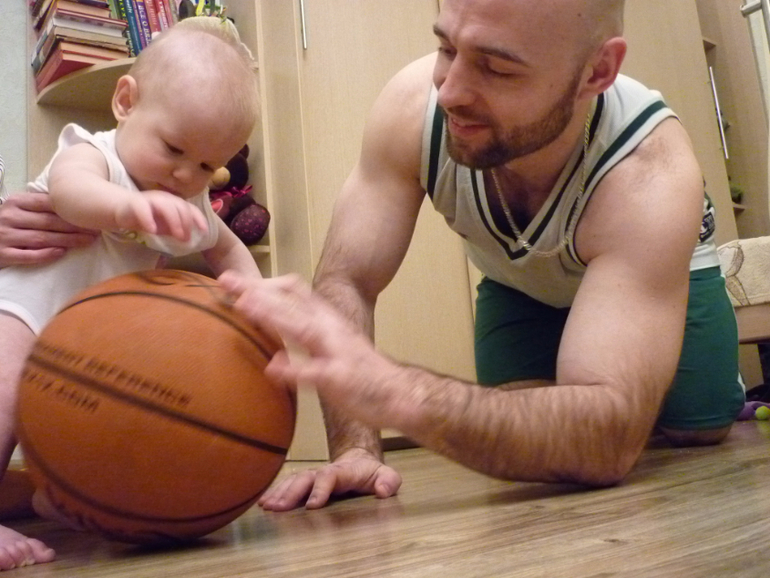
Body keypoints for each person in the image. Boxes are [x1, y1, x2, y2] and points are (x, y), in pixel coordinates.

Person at [217, 0, 746, 512]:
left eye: (497, 68)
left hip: (647, 264)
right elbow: (348, 279)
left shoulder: (651, 172)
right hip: (518, 279)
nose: (449, 92)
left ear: (597, 71)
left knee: (695, 428)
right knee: (524, 433)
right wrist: (355, 449)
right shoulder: (412, 107)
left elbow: (607, 444)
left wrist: (395, 391)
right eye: (447, 48)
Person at [0, 16, 260, 569]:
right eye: (173, 148)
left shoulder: (188, 200)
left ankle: (63, 494)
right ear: (125, 102)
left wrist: (258, 303)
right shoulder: (95, 154)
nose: (184, 175)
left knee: (106, 415)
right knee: (3, 393)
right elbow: (70, 193)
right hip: (22, 310)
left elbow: (228, 249)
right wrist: (126, 207)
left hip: (86, 341)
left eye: (206, 165)